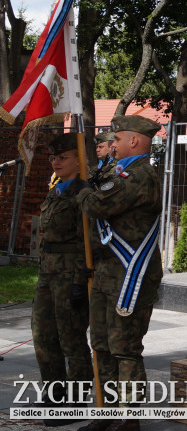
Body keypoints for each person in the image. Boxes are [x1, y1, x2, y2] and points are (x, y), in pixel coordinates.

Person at [79, 115, 163, 431]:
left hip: (131, 275)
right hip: (106, 271)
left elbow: (97, 206)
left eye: (117, 139)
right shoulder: (117, 172)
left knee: (124, 348)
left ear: (135, 141)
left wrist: (83, 190)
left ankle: (129, 419)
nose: (112, 145)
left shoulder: (140, 176)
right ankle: (106, 412)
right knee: (100, 344)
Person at [32, 133, 92, 427]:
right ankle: (53, 394)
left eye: (62, 157)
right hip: (48, 271)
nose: (56, 162)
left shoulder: (84, 192)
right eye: (53, 158)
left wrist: (81, 279)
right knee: (43, 335)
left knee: (72, 337)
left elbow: (87, 240)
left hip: (70, 272)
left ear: (78, 159)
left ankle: (77, 401)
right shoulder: (55, 190)